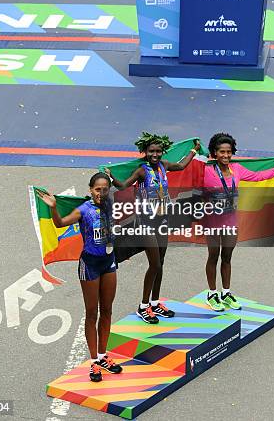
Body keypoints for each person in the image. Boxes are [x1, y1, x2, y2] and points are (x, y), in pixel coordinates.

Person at [105, 132, 201, 324]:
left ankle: (155, 303)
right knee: (154, 264)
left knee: (161, 262)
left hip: (163, 220)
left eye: (158, 151)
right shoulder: (142, 170)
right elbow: (124, 185)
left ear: (162, 151)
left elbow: (181, 165)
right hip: (146, 222)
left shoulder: (164, 165)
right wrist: (111, 177)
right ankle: (143, 306)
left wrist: (194, 150)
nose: (155, 154)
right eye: (151, 151)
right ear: (145, 152)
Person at [36, 173, 121, 383]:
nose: (102, 192)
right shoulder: (84, 210)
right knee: (92, 313)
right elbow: (60, 223)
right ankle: (93, 362)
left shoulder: (112, 205)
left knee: (108, 310)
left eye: (105, 189)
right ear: (91, 190)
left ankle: (103, 357)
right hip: (90, 265)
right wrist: (54, 207)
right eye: (97, 189)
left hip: (109, 262)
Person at [203, 132, 274, 312]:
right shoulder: (206, 170)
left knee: (227, 257)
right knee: (213, 256)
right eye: (221, 152)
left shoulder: (238, 170)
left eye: (229, 152)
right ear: (214, 153)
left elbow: (259, 176)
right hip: (211, 221)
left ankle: (226, 293)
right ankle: (211, 295)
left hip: (230, 222)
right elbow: (184, 172)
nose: (225, 155)